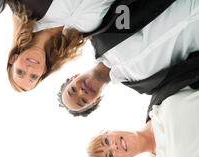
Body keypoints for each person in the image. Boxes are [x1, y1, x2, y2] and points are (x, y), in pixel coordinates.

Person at [58, 0, 199, 115]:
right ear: (95, 100)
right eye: (83, 101)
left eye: (73, 90)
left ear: (74, 77)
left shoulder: (101, 34)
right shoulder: (145, 85)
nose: (81, 92)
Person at [87, 84, 199, 157]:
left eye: (106, 141)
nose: (113, 146)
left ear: (110, 131)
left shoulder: (159, 98)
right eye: (110, 155)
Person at [6, 0, 116, 92]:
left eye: (20, 71)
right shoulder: (77, 37)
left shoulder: (25, 5)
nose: (29, 69)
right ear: (44, 70)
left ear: (13, 58)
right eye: (33, 76)